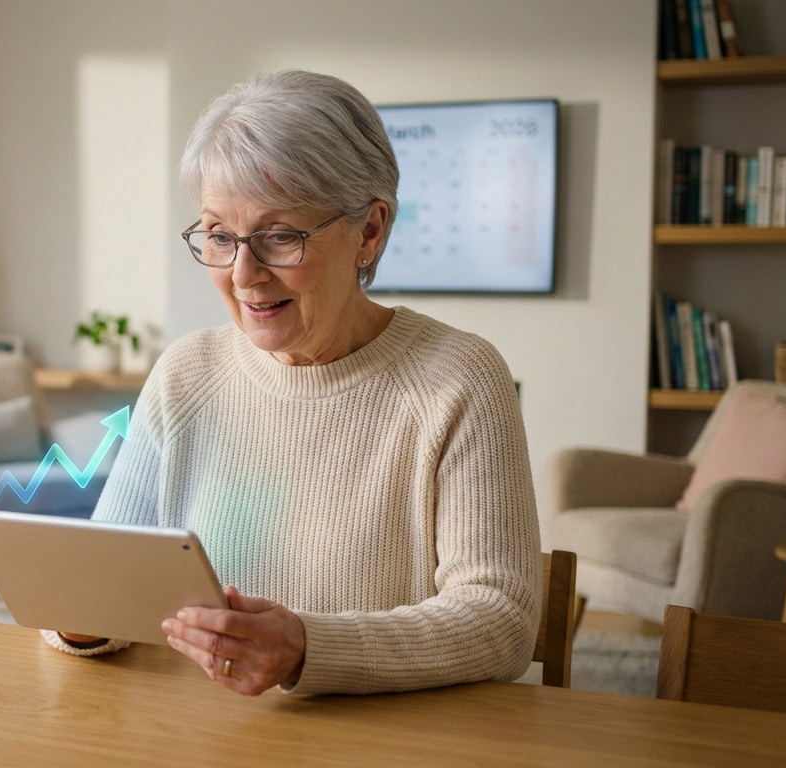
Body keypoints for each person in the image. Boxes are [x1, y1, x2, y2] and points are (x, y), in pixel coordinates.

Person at [42, 69, 540, 697]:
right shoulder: (186, 374)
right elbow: (106, 583)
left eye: (280, 237)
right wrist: (81, 621)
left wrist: (310, 648)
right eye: (220, 236)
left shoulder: (458, 380)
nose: (243, 275)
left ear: (370, 231)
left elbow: (503, 620)